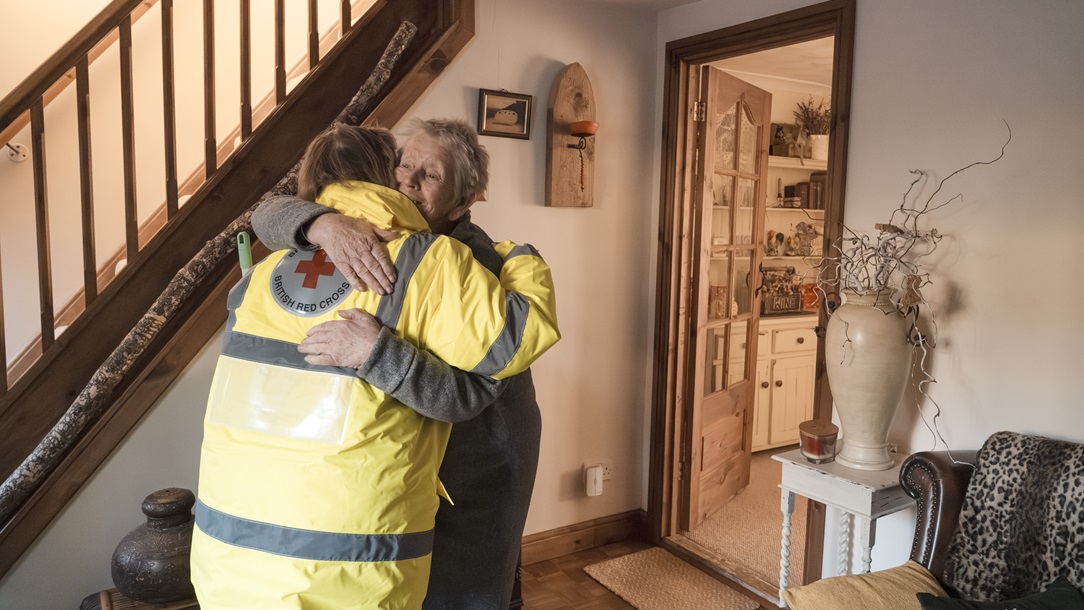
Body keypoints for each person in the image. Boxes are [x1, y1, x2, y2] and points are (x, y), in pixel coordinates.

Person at [190, 124, 559, 609]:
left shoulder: (470, 260)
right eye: (403, 165)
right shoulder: (366, 234)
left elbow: (468, 396)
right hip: (400, 465)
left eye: (430, 174)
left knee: (468, 588)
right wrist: (322, 224)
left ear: (465, 197)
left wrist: (374, 355)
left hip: (479, 453)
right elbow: (267, 213)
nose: (408, 181)